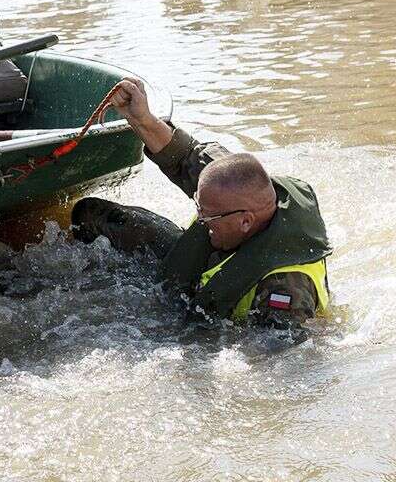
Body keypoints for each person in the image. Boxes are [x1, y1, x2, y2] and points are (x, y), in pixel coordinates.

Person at [70, 78, 332, 330]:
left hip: (217, 309)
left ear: (245, 221)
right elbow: (185, 155)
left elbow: (279, 361)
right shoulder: (232, 183)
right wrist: (140, 117)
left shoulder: (285, 290)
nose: (201, 221)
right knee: (91, 214)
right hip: (198, 266)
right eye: (199, 208)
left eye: (208, 217)